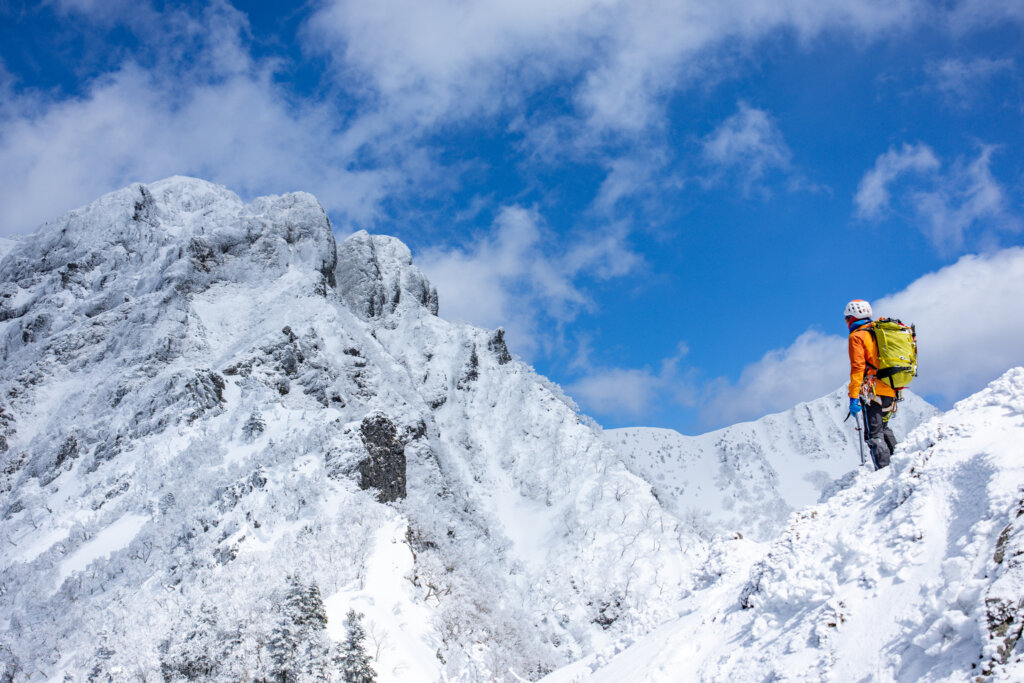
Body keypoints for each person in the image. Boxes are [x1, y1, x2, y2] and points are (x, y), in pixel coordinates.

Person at [845, 299, 897, 469]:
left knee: (874, 435)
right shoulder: (878, 331)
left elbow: (858, 368)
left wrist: (853, 397)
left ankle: (884, 472)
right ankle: (899, 462)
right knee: (883, 428)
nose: (846, 322)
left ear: (852, 317)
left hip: (873, 391)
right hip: (891, 388)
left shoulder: (857, 336)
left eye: (847, 318)